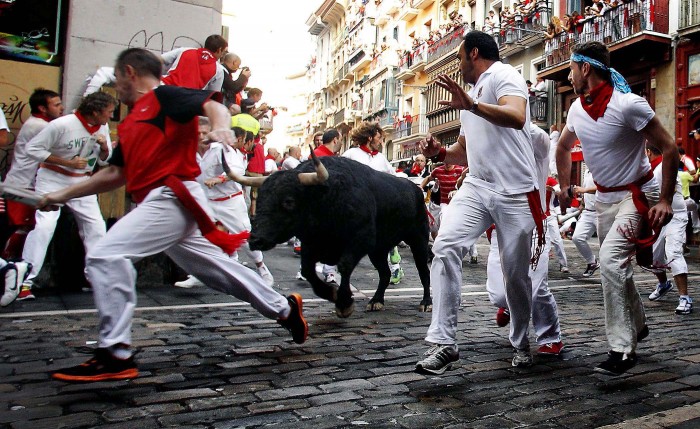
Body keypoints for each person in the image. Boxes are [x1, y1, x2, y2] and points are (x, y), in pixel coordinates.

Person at [43, 48, 308, 382]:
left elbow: (213, 105)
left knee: (106, 255)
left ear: (129, 72)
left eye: (118, 77)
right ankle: (284, 309)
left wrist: (222, 127)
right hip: (166, 202)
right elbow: (113, 175)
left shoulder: (163, 96)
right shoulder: (132, 122)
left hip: (171, 197)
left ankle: (114, 352)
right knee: (217, 270)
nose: (116, 87)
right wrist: (58, 195)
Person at [415, 31, 543, 374]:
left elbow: (515, 116)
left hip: (515, 191)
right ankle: (444, 342)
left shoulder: (504, 75)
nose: (458, 66)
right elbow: (463, 151)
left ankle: (521, 342)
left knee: (515, 276)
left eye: (459, 59)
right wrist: (439, 153)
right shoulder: (470, 95)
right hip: (478, 186)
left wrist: (471, 105)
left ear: (473, 53)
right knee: (445, 245)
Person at [556, 41, 676, 376]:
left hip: (636, 195)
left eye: (571, 68)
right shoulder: (577, 110)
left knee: (609, 262)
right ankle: (637, 323)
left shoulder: (629, 105)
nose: (568, 75)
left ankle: (622, 349)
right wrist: (566, 186)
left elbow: (669, 147)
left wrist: (665, 199)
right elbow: (564, 147)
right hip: (605, 200)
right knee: (616, 267)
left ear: (585, 68)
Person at [19, 92, 116, 301]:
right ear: (96, 112)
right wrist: (66, 163)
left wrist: (105, 147)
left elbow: (104, 161)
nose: (111, 116)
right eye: (108, 112)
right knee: (44, 226)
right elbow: (32, 149)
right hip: (53, 179)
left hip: (82, 182)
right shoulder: (61, 125)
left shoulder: (102, 127)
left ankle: (95, 278)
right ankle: (23, 281)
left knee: (96, 227)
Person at [486, 123, 564, 356]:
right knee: (500, 293)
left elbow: (540, 139)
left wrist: (509, 114)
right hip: (503, 225)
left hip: (537, 222)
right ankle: (511, 304)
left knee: (537, 287)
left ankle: (550, 337)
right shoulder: (493, 146)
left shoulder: (536, 140)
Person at [2, 89, 64, 261]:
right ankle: (9, 268)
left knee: (28, 228)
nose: (62, 107)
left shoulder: (40, 124)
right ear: (42, 108)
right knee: (23, 228)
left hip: (27, 184)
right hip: (22, 186)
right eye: (56, 104)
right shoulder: (39, 126)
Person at [343, 122, 404, 284]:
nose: (380, 142)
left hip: (380, 206)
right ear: (369, 138)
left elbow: (392, 177)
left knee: (387, 236)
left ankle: (396, 267)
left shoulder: (380, 158)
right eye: (378, 138)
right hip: (357, 207)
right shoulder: (351, 155)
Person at [645, 145, 693, 315]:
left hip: (675, 216)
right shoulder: (651, 169)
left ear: (648, 152)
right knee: (653, 257)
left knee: (673, 253)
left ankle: (685, 298)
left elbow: (669, 189)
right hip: (659, 218)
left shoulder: (665, 166)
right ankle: (664, 284)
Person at [571, 169, 600, 277]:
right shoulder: (587, 171)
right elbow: (584, 191)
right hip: (588, 212)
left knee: (605, 244)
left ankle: (610, 272)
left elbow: (603, 188)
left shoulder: (601, 167)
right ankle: (592, 262)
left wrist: (584, 190)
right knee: (577, 237)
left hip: (601, 212)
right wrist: (582, 204)